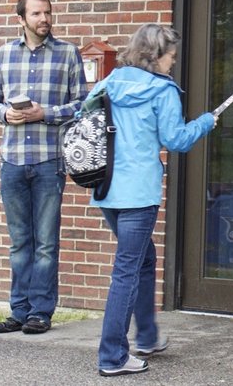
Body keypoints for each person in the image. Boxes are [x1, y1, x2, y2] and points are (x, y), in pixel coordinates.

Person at [85, 24, 216, 377]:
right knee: (126, 270)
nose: (173, 63)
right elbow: (176, 141)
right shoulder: (163, 90)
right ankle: (112, 356)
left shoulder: (109, 82)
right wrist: (206, 121)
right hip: (139, 193)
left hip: (107, 190)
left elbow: (86, 117)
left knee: (143, 259)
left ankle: (147, 336)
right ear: (156, 55)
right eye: (171, 56)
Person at [0, 0, 88, 334]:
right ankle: (18, 310)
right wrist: (5, 114)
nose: (44, 19)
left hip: (48, 161)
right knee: (19, 242)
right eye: (37, 14)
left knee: (45, 241)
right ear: (22, 19)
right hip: (12, 160)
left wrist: (46, 113)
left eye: (47, 13)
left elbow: (83, 105)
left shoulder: (68, 53)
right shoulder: (3, 54)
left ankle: (40, 312)